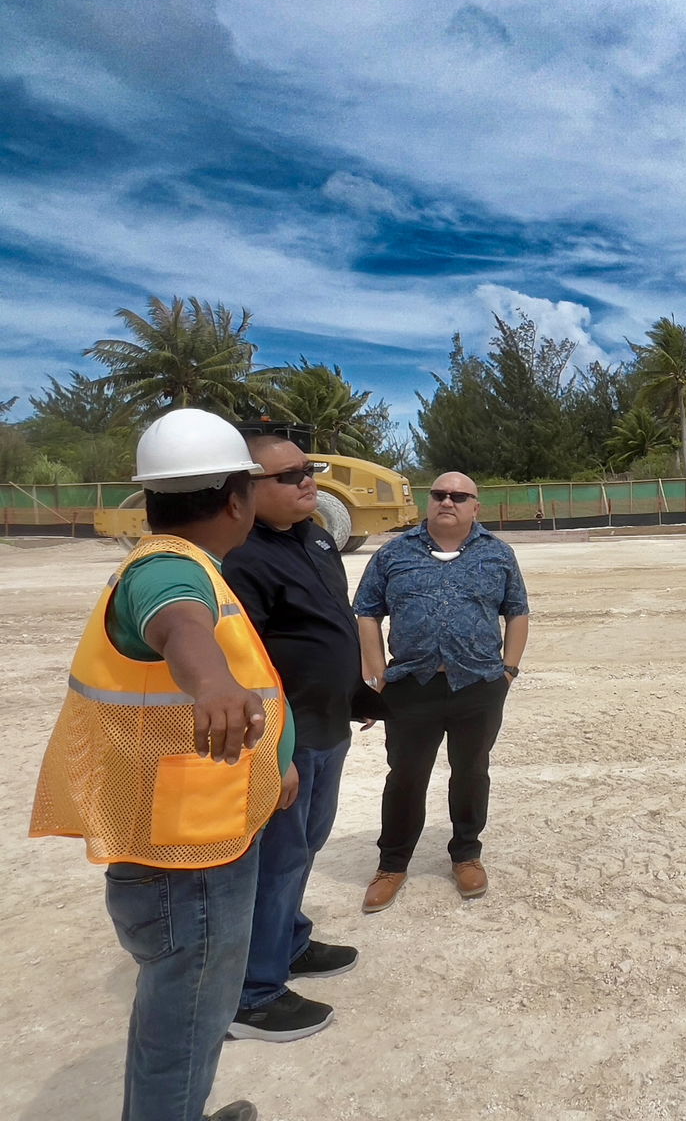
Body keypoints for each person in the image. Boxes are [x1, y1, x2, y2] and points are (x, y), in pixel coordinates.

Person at [31, 408, 297, 1121]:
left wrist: (278, 759)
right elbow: (179, 623)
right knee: (185, 1023)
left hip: (189, 833)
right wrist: (211, 682)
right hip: (188, 863)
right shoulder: (169, 572)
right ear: (237, 499)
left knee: (185, 1015)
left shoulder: (184, 562)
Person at [222, 435, 386, 1042]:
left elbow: (331, 624)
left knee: (306, 844)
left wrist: (357, 693)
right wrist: (276, 751)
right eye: (288, 477)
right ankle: (254, 995)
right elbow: (247, 663)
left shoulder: (318, 537)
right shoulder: (242, 558)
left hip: (328, 725)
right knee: (278, 856)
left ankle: (286, 942)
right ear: (248, 490)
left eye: (307, 470)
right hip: (287, 736)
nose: (306, 482)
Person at [354, 472, 529, 912]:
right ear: (428, 502)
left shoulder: (498, 554)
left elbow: (517, 612)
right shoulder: (394, 553)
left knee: (471, 772)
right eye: (439, 494)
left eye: (459, 496)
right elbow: (367, 612)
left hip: (479, 684)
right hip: (411, 685)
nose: (447, 501)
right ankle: (392, 864)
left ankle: (467, 854)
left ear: (475, 506)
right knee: (405, 776)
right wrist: (374, 669)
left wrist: (508, 671)